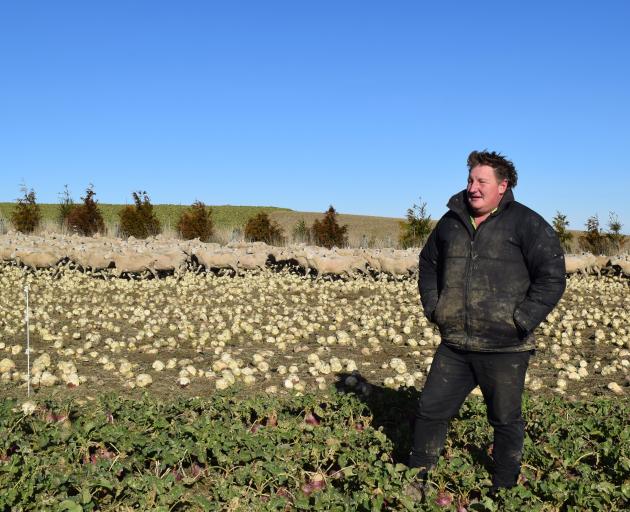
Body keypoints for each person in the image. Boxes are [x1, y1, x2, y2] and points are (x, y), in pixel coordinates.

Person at [407, 150, 566, 497]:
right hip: (455, 344)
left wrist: (520, 320)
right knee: (430, 409)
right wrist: (435, 307)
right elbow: (427, 264)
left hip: (505, 347)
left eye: (482, 181)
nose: (473, 188)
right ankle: (417, 478)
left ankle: (504, 488)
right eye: (470, 180)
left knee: (505, 419)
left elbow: (552, 277)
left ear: (502, 185)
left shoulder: (527, 223)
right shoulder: (450, 222)